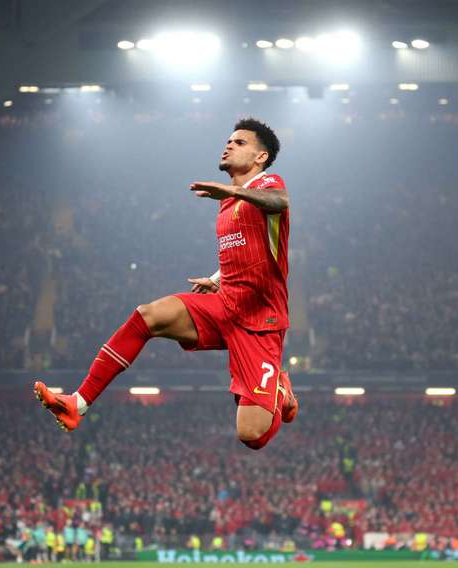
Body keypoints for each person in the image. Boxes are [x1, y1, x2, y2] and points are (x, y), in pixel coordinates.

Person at [36, 118, 298, 449]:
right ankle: (78, 403)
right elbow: (247, 247)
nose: (229, 145)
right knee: (148, 315)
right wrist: (216, 279)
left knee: (251, 435)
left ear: (260, 157)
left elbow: (281, 201)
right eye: (229, 140)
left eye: (240, 143)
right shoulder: (227, 203)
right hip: (225, 304)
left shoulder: (267, 183)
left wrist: (235, 190)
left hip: (262, 320)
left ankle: (280, 391)